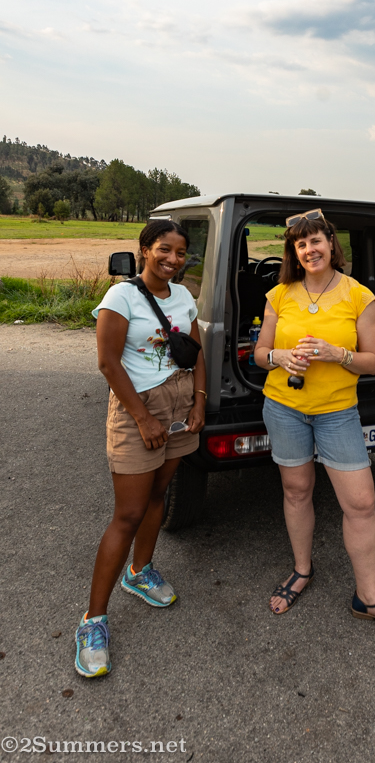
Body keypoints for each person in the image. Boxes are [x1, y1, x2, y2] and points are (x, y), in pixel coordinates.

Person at [255, 208, 375, 634]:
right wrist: (281, 357)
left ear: (331, 243)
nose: (310, 249)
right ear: (294, 251)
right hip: (283, 406)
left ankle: (369, 597)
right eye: (301, 243)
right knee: (296, 490)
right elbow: (259, 355)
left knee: (361, 503)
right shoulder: (280, 294)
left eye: (316, 241)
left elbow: (374, 361)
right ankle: (302, 570)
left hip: (337, 412)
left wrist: (336, 354)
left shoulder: (358, 295)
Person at [75, 220, 206, 677]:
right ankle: (92, 621)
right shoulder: (122, 297)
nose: (173, 259)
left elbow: (196, 349)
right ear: (145, 249)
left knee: (157, 496)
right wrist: (143, 417)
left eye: (181, 253)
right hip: (139, 409)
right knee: (127, 514)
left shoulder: (185, 295)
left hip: (179, 401)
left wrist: (200, 402)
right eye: (164, 250)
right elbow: (108, 362)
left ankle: (140, 571)